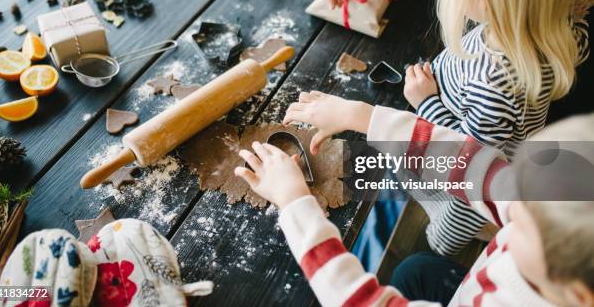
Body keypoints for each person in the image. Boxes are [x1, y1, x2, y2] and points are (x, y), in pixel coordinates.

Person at [316, 0, 591, 258]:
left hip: (459, 202)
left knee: (423, 242)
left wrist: (426, 103)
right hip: (472, 139)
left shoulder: (496, 80)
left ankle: (436, 245)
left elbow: (468, 162)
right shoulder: (551, 24)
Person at [234, 104, 594, 306]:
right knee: (414, 270)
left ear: (577, 294)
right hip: (479, 284)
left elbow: (360, 302)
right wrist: (363, 117)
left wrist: (294, 202)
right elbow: (471, 166)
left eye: (521, 223)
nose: (510, 208)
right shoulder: (546, 217)